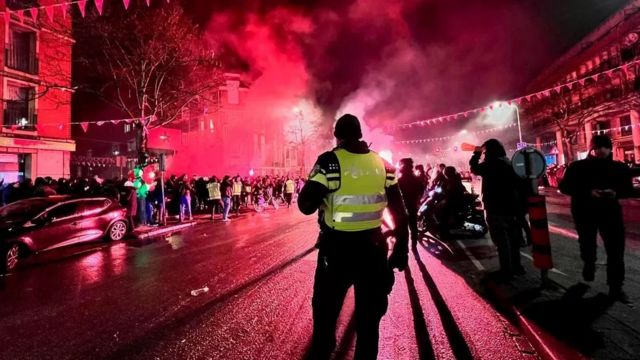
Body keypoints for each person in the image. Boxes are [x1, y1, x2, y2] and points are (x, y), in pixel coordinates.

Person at [298, 114, 409, 360]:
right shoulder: (382, 163)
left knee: (326, 311)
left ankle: (324, 349)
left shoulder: (329, 162)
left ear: (337, 136)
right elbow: (400, 211)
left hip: (337, 252)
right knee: (369, 321)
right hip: (373, 251)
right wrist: (402, 249)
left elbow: (305, 205)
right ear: (360, 134)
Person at [560, 135, 635, 302]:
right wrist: (588, 192)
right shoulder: (577, 167)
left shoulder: (619, 168)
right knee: (587, 243)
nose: (602, 150)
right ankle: (589, 263)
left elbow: (629, 189)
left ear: (610, 148)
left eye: (605, 147)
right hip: (584, 212)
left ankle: (616, 287)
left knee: (616, 250)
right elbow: (564, 186)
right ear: (591, 148)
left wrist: (615, 193)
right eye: (598, 147)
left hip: (610, 212)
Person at [470, 139, 524, 280]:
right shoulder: (508, 162)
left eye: (485, 152)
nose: (484, 154)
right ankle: (517, 266)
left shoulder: (490, 164)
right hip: (511, 207)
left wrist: (476, 154)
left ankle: (506, 271)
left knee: (501, 241)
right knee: (513, 240)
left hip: (495, 207)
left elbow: (474, 168)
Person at [398, 158, 425, 247]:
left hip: (403, 206)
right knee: (413, 226)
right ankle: (414, 244)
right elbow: (422, 189)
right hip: (413, 204)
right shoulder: (416, 178)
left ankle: (404, 245)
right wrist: (418, 199)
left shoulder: (401, 179)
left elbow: (397, 193)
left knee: (402, 226)